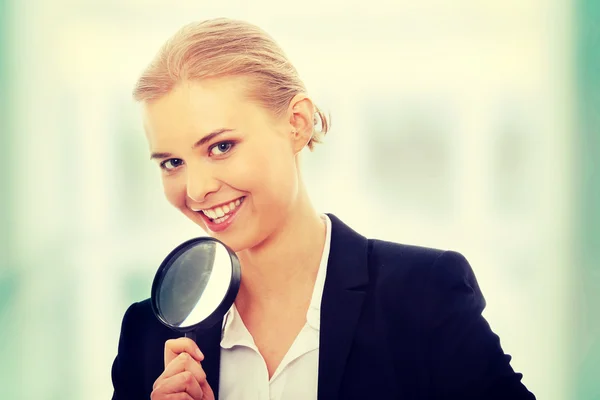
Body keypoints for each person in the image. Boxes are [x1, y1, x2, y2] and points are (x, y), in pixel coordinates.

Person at [111, 18, 536, 400]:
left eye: (221, 146)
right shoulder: (149, 336)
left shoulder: (422, 296)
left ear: (296, 123)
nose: (197, 189)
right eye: (172, 162)